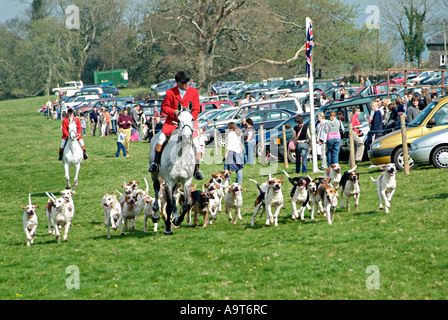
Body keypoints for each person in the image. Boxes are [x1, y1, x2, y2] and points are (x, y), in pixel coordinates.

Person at [148, 71, 204, 180]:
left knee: (197, 145)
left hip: (188, 123)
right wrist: (175, 112)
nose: (187, 85)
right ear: (177, 83)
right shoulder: (170, 93)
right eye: (184, 83)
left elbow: (197, 109)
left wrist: (187, 117)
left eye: (187, 82)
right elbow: (164, 108)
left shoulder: (194, 92)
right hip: (173, 122)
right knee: (160, 139)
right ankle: (155, 164)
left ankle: (196, 170)